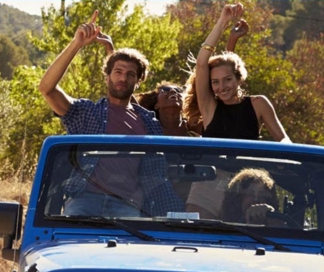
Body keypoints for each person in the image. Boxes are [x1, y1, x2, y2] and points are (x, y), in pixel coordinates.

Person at [38, 10, 185, 217]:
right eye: (117, 72)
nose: (123, 78)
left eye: (130, 74)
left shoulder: (149, 122)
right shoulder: (87, 112)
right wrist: (76, 44)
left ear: (138, 81)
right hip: (84, 201)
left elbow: (157, 177)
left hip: (129, 207)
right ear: (106, 77)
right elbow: (47, 89)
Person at [187, 2, 291, 142]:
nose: (222, 86)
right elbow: (201, 63)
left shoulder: (258, 103)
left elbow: (283, 140)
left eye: (227, 80)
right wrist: (223, 21)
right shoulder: (209, 106)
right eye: (215, 82)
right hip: (213, 165)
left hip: (248, 164)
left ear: (239, 79)